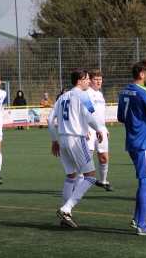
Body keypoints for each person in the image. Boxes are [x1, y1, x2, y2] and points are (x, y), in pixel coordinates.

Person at [47, 68, 104, 228]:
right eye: (87, 79)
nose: (89, 81)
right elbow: (88, 117)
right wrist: (99, 130)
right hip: (76, 140)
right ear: (79, 81)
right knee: (91, 177)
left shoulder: (62, 97)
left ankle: (66, 217)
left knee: (70, 178)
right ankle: (66, 209)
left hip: (63, 140)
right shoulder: (83, 95)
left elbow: (50, 119)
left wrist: (54, 140)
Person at [117, 59, 146, 236]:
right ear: (142, 74)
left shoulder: (124, 91)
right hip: (144, 143)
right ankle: (141, 225)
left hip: (132, 142)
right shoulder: (145, 92)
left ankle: (137, 219)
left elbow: (121, 117)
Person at [82, 69, 114, 191]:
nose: (99, 81)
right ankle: (78, 184)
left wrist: (104, 127)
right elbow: (82, 112)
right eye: (96, 79)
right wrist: (85, 128)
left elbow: (100, 114)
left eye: (100, 79)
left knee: (104, 156)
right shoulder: (86, 93)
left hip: (101, 129)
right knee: (87, 156)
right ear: (90, 81)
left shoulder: (100, 94)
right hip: (89, 128)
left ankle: (102, 181)